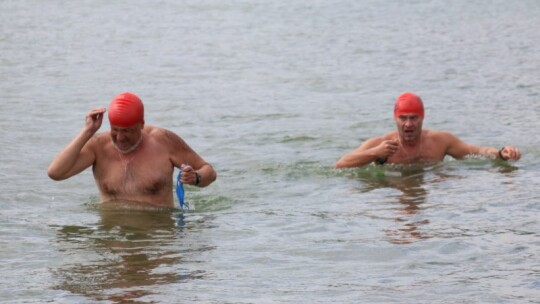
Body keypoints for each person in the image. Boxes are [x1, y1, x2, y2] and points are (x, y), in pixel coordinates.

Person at [48, 92, 217, 207]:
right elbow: (56, 173)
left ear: (141, 125)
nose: (120, 138)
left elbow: (209, 171)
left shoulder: (163, 141)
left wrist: (196, 177)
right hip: (113, 240)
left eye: (127, 131)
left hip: (158, 239)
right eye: (115, 130)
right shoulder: (98, 146)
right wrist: (87, 131)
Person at [335, 92, 521, 168]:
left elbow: (477, 152)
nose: (408, 124)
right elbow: (341, 164)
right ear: (395, 118)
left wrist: (500, 153)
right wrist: (375, 153)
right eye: (403, 118)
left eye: (413, 118)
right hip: (393, 190)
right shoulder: (380, 144)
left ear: (422, 118)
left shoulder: (440, 141)